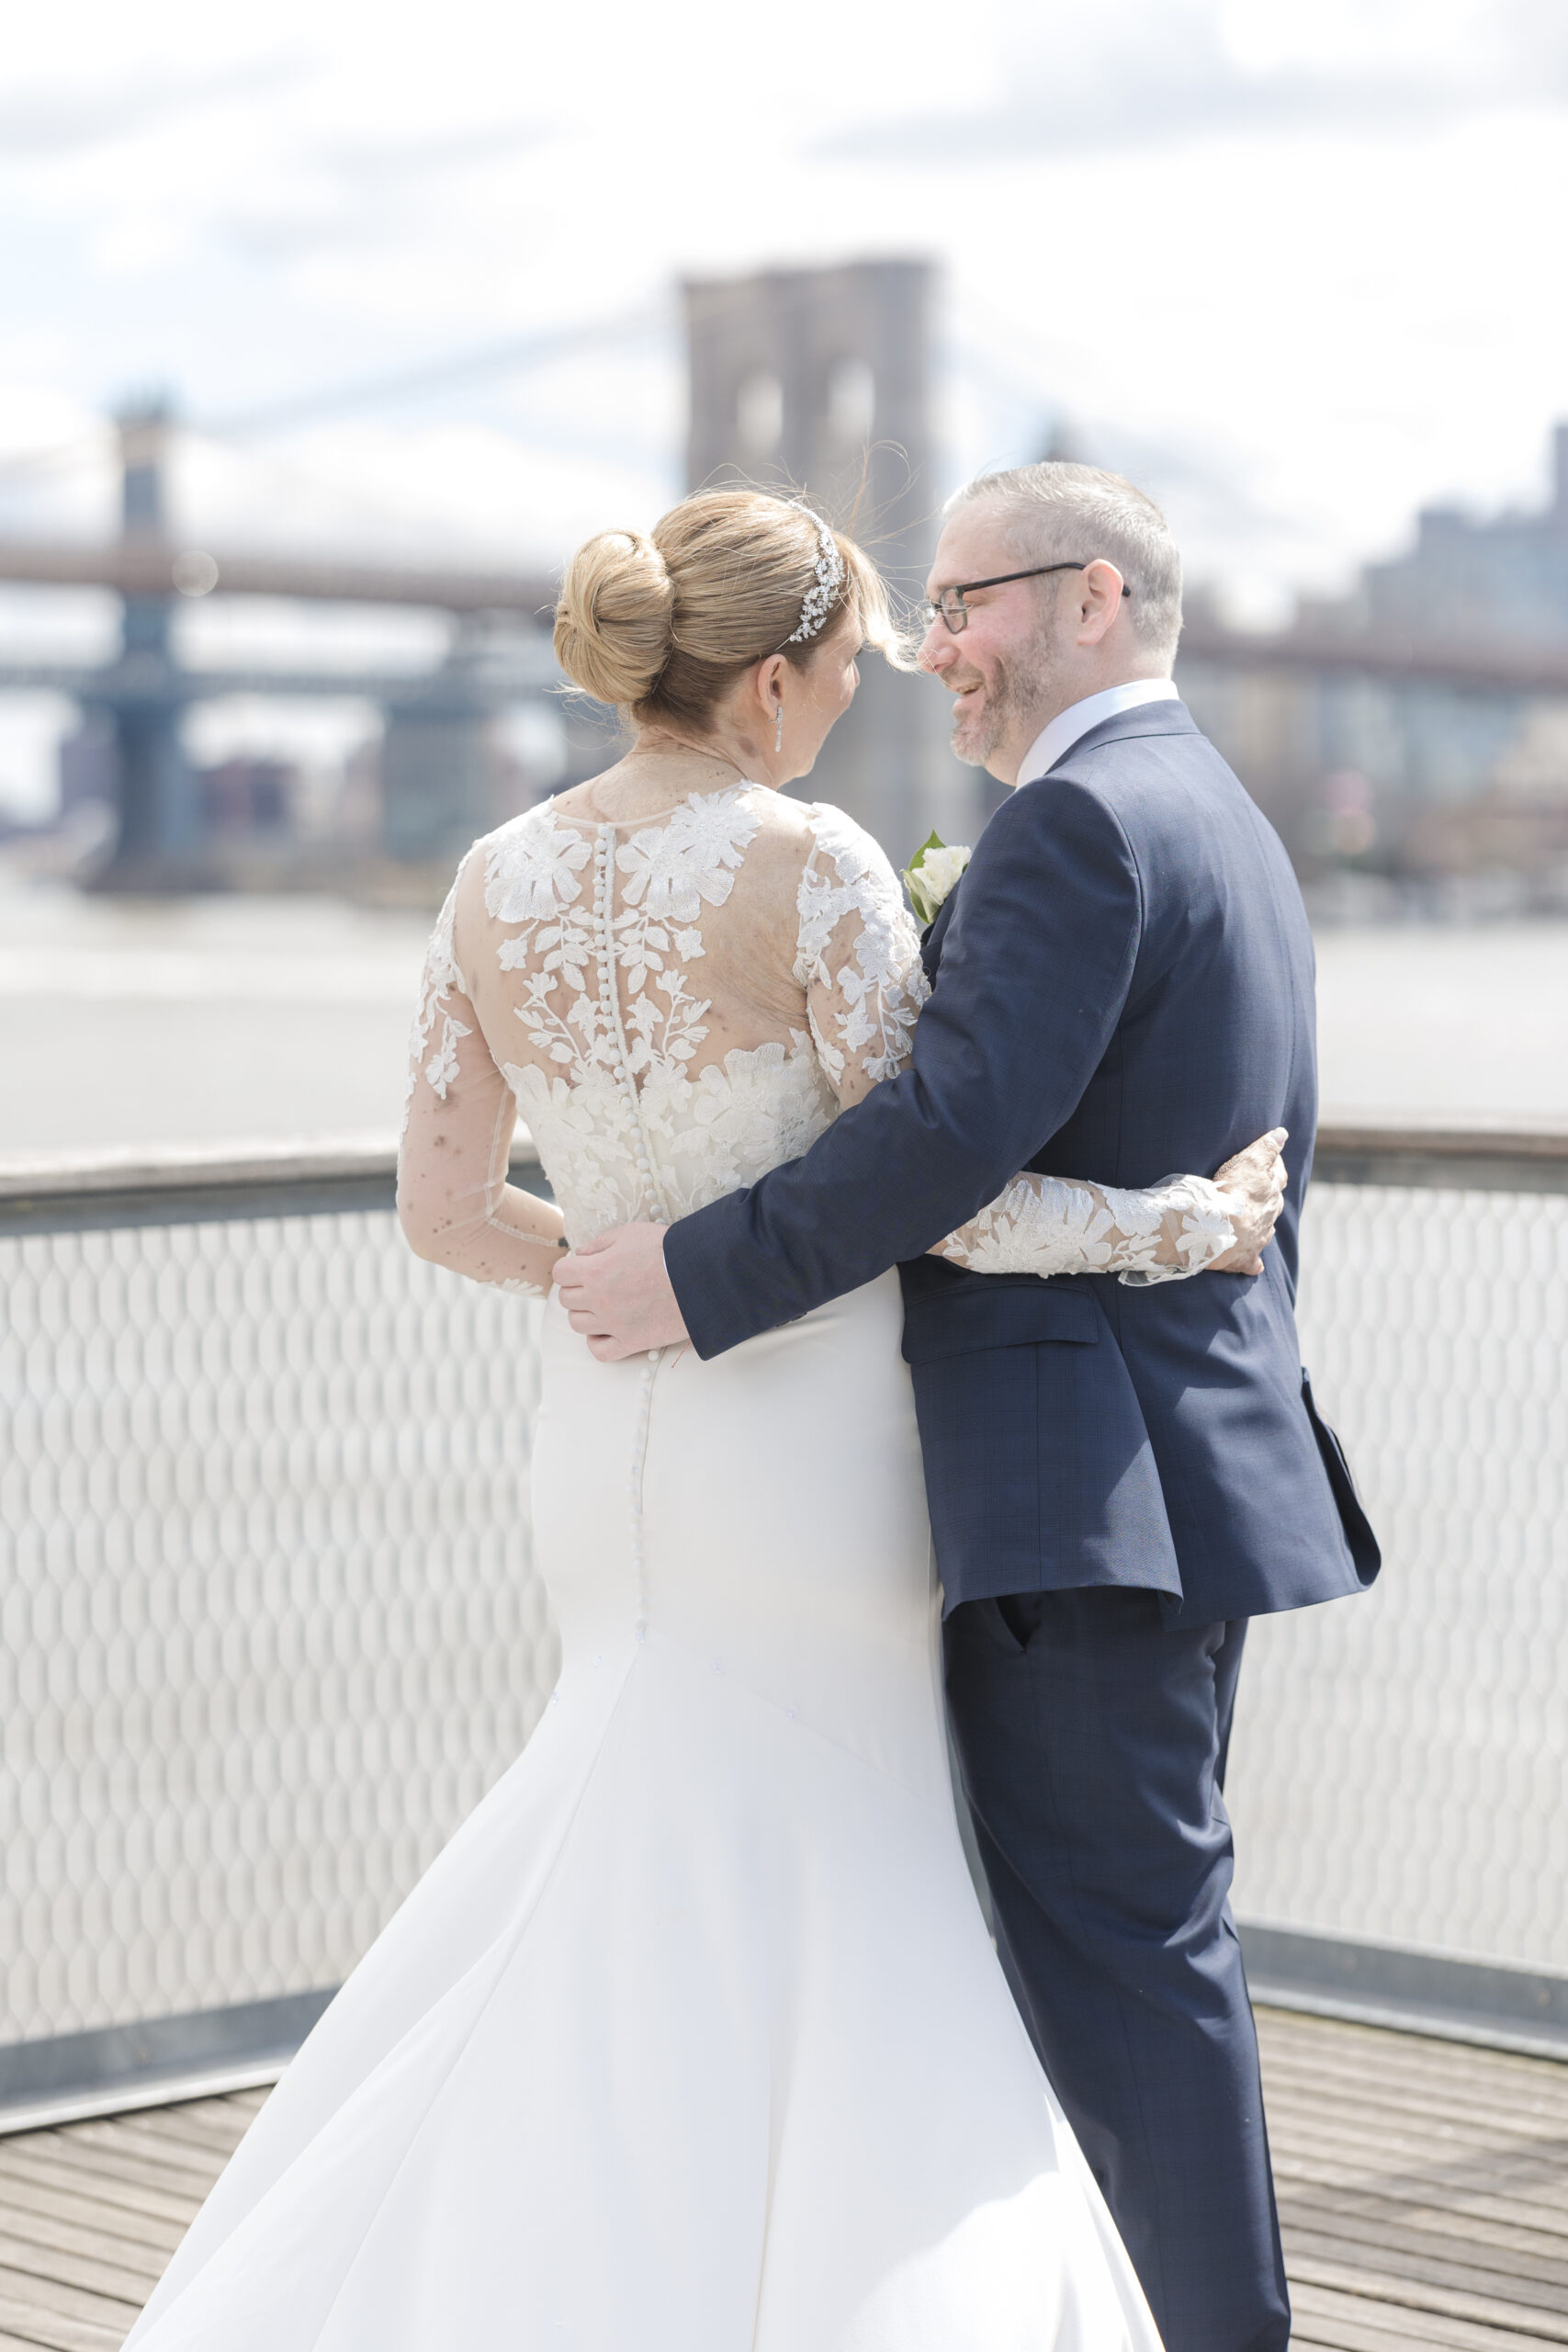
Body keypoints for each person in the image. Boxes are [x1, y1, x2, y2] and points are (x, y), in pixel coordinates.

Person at [122, 489, 1290, 2352]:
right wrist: (1181, 1225)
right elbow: (947, 1191)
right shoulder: (811, 863)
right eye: (840, 663)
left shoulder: (487, 875)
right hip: (807, 1446)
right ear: (761, 682)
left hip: (599, 1442)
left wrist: (603, 1269)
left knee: (624, 1823)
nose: (864, 685)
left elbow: (434, 1210)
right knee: (834, 1873)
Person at [555, 465, 1382, 2352]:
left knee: (1113, 1958)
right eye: (915, 612)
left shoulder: (1077, 826)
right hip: (1173, 1466)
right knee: (1128, 1942)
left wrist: (685, 1275)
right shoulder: (1218, 816)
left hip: (1085, 1495)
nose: (933, 651)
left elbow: (938, 1137)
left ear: (1092, 594)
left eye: (962, 603)